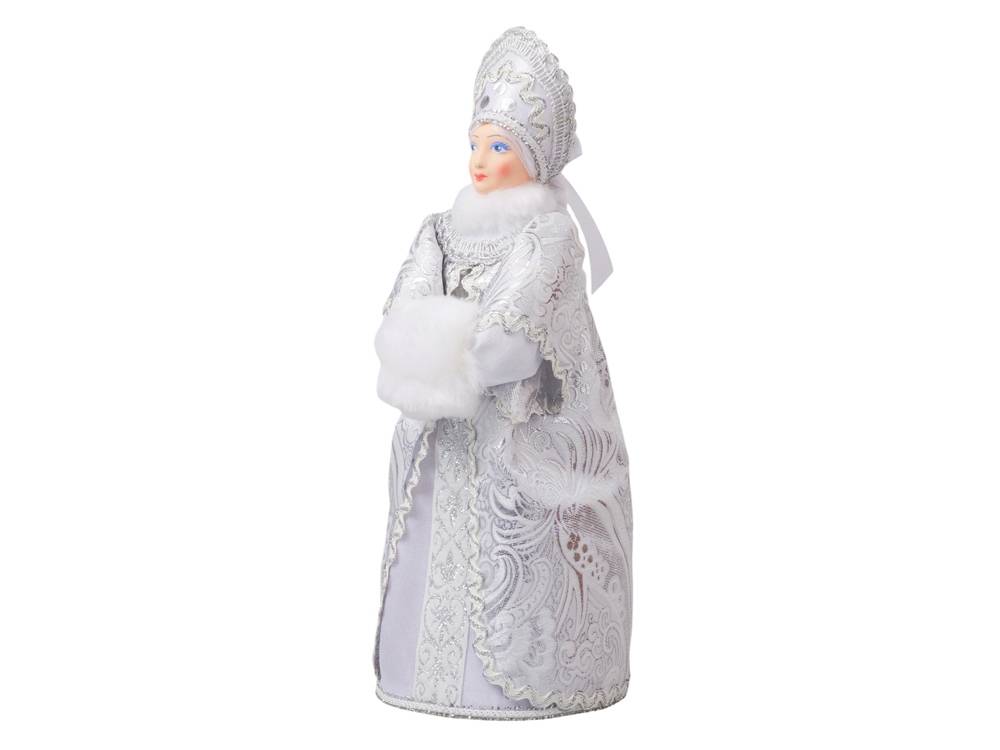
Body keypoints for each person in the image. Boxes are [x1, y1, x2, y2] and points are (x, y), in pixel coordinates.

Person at [372, 27, 632, 719]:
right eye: (476, 142)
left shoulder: (549, 236)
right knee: (423, 538)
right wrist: (444, 345)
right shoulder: (436, 230)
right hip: (437, 447)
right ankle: (418, 672)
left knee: (515, 549)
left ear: (533, 157)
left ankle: (514, 686)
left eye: (499, 146)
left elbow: (507, 347)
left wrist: (440, 348)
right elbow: (397, 327)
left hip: (517, 442)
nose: (480, 160)